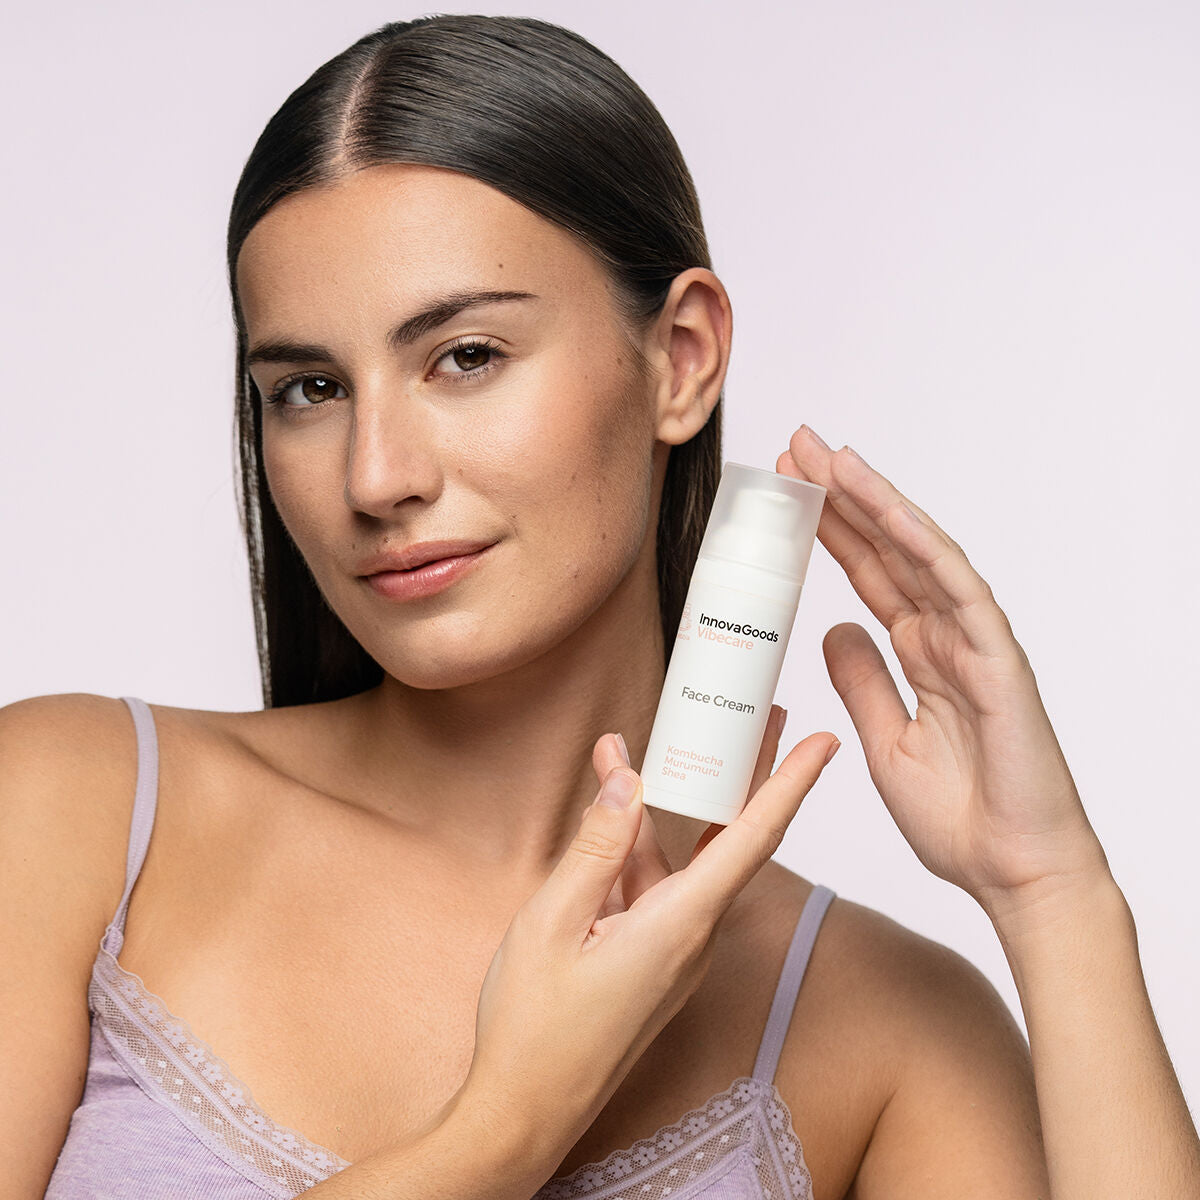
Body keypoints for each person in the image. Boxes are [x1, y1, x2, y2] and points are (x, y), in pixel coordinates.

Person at [6, 13, 1198, 1200]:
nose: (375, 476)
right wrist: (508, 1124)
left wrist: (1056, 897)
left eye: (466, 356)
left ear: (681, 357)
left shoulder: (890, 1037)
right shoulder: (70, 812)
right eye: (310, 388)